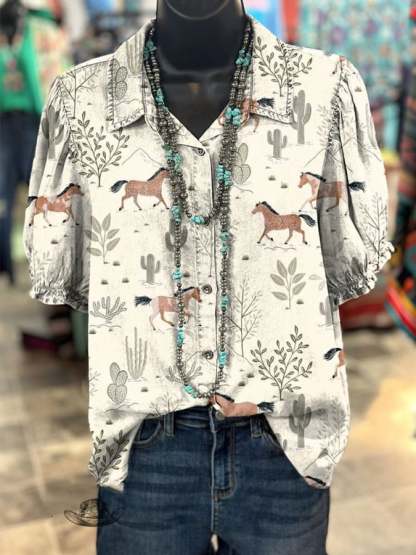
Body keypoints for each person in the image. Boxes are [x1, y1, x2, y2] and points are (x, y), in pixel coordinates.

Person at [22, 1, 394, 553]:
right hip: (144, 446)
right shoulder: (81, 100)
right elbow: (67, 269)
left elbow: (342, 267)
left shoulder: (325, 91)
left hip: (285, 442)